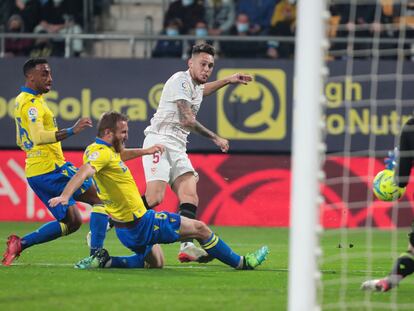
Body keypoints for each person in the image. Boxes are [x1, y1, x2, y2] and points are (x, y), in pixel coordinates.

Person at [48, 111, 269, 270]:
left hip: (126, 231)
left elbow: (118, 156)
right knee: (200, 228)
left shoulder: (98, 150)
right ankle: (243, 263)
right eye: (122, 132)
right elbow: (84, 172)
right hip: (143, 224)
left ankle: (106, 260)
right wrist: (66, 196)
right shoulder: (101, 155)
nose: (126, 136)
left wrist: (146, 151)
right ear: (108, 132)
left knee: (157, 262)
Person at [141, 43, 253, 263]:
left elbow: (204, 90)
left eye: (210, 65)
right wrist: (215, 138)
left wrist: (228, 80)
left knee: (190, 195)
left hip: (179, 146)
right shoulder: (180, 80)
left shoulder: (195, 85)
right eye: (203, 64)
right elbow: (187, 120)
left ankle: (187, 246)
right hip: (160, 141)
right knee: (155, 198)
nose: (207, 69)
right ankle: (108, 220)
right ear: (190, 63)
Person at [2, 58, 101, 266]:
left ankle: (20, 244)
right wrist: (72, 130)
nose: (50, 78)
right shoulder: (31, 104)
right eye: (44, 74)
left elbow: (23, 139)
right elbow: (38, 136)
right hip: (51, 169)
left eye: (50, 73)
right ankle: (96, 254)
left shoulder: (26, 100)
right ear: (30, 76)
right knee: (100, 201)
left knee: (72, 222)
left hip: (38, 171)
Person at [361, 118, 414, 291]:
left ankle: (389, 281)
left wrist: (398, 166)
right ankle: (389, 281)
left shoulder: (411, 127)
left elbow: (401, 180)